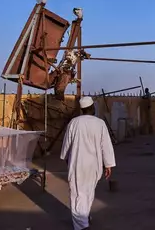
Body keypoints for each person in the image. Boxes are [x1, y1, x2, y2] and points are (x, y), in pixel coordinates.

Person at [61, 96, 116, 230]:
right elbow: (106, 146)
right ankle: (84, 219)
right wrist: (108, 164)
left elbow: (66, 144)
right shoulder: (100, 123)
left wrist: (65, 157)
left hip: (77, 165)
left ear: (82, 109)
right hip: (94, 166)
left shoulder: (74, 123)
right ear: (93, 108)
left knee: (78, 195)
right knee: (88, 192)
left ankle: (82, 225)